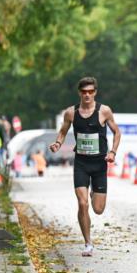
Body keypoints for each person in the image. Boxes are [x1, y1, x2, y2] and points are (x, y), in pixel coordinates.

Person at [50, 77, 121, 257]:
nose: (87, 95)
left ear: (95, 92)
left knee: (98, 209)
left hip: (99, 164)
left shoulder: (104, 111)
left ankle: (94, 193)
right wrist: (58, 143)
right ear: (79, 93)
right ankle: (88, 243)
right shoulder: (71, 113)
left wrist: (112, 152)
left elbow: (117, 132)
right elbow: (63, 132)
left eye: (90, 92)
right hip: (81, 163)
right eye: (84, 92)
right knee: (82, 204)